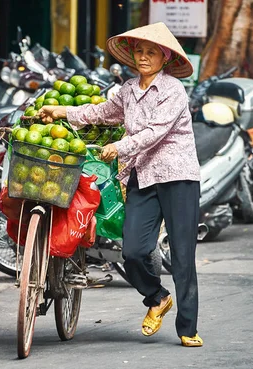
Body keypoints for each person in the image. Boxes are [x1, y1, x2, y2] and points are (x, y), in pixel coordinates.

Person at [38, 22, 203, 347]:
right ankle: (157, 298)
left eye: (151, 52)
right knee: (133, 250)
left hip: (177, 176)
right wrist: (62, 111)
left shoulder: (173, 89)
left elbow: (155, 132)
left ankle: (188, 328)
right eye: (139, 51)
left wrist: (119, 147)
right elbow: (101, 112)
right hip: (141, 176)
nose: (143, 57)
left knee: (183, 255)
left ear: (164, 57)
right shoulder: (128, 89)